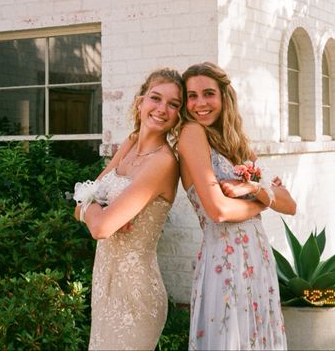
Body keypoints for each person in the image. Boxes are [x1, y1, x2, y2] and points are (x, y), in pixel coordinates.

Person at [178, 62, 297, 350]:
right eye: (191, 96)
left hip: (258, 259)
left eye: (208, 94)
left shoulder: (238, 146)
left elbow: (290, 205)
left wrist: (253, 188)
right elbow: (218, 212)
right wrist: (262, 199)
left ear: (224, 97)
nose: (200, 104)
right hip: (224, 261)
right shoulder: (192, 134)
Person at [74, 68, 184, 350]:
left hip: (137, 293)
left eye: (173, 104)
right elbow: (80, 203)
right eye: (155, 98)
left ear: (178, 115)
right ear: (140, 102)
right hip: (105, 284)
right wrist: (98, 209)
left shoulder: (163, 162)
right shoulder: (130, 144)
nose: (162, 109)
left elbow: (99, 227)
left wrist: (97, 211)